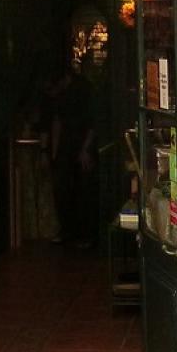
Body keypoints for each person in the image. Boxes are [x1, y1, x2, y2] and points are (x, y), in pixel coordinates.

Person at [47, 68, 98, 250]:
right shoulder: (64, 94)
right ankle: (69, 231)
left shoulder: (84, 90)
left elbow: (92, 122)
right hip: (67, 147)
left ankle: (84, 234)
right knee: (64, 190)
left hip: (80, 145)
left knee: (83, 191)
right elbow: (57, 121)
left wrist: (85, 149)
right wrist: (55, 152)